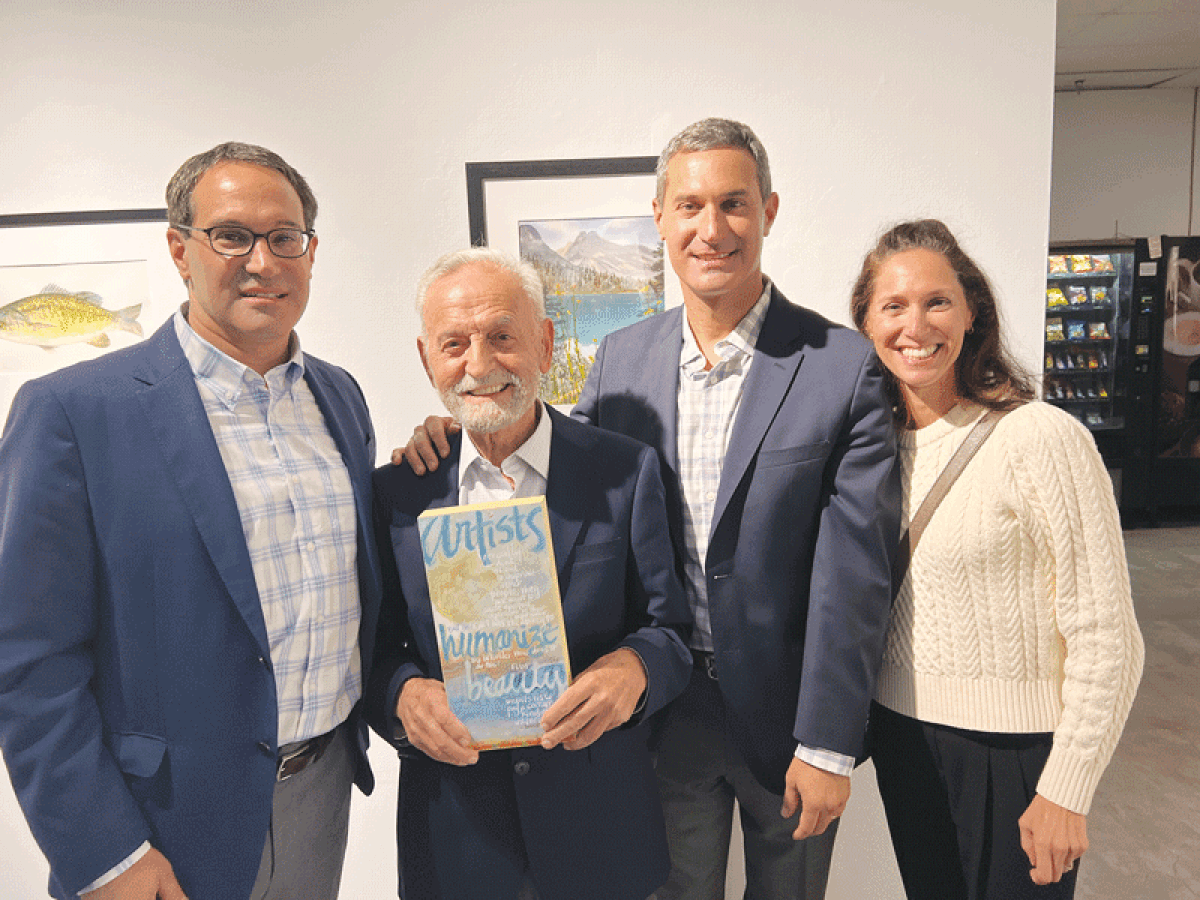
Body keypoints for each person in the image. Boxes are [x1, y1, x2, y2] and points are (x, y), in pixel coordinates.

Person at [400, 118, 901, 900]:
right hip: (659, 714)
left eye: (733, 203)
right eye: (690, 206)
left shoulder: (840, 366)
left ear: (768, 211)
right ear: (661, 217)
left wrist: (830, 743)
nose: (712, 228)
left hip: (790, 717)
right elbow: (561, 478)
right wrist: (458, 426)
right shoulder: (621, 357)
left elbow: (856, 573)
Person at [0, 142, 382, 900]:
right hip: (160, 823)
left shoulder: (339, 396)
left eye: (285, 237)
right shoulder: (71, 412)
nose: (262, 262)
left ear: (310, 252)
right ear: (180, 249)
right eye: (231, 235)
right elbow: (28, 660)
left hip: (321, 792)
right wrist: (104, 854)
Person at [366, 248, 693, 900]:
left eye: (502, 336)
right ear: (427, 358)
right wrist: (401, 694)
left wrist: (634, 669)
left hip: (601, 834)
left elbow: (671, 631)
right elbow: (371, 651)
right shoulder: (396, 494)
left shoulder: (626, 472)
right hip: (457, 841)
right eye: (454, 344)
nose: (479, 364)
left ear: (545, 343)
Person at [850, 218, 1145, 899]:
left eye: (937, 302)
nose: (915, 326)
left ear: (972, 312)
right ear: (866, 322)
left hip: (1014, 754)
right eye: (893, 306)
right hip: (902, 741)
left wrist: (1067, 788)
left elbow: (1107, 635)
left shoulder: (1038, 437)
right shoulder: (871, 449)